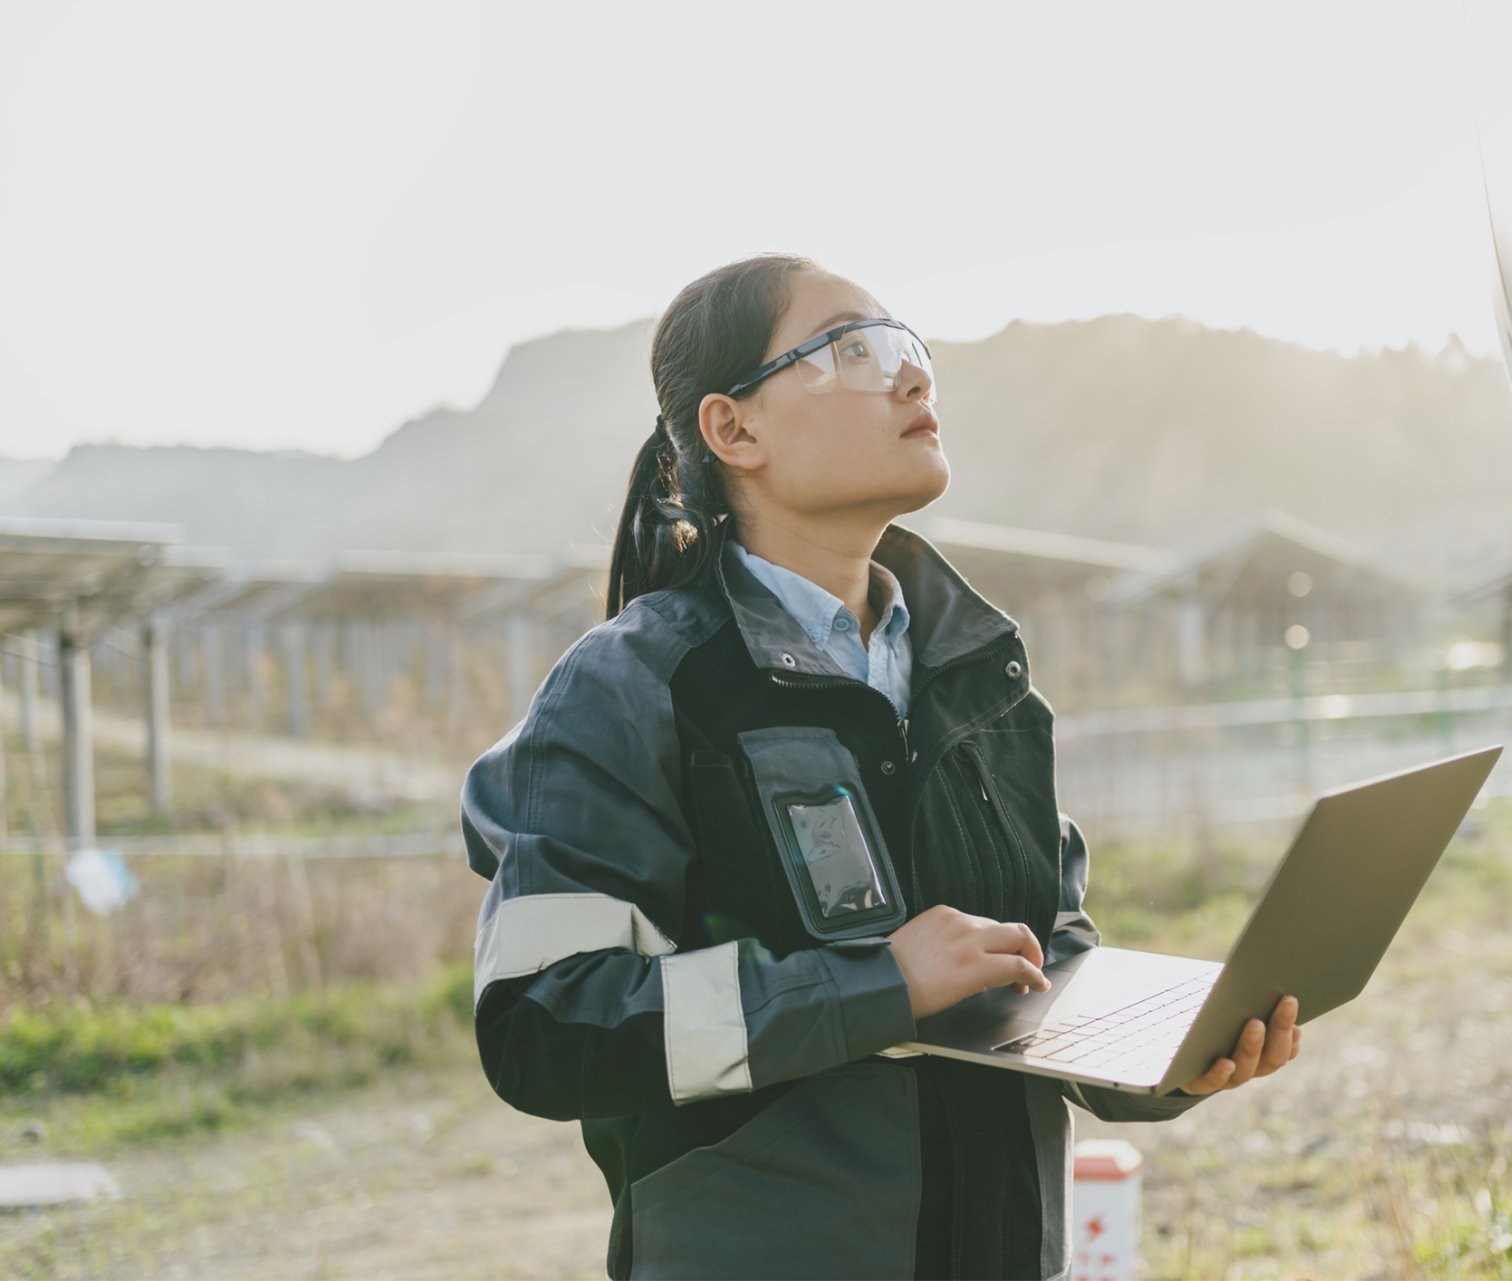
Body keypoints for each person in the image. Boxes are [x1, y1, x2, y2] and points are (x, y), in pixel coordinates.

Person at [460, 253, 1304, 1281]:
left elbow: (1045, 956)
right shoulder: (637, 689)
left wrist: (1170, 1059)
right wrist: (878, 985)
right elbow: (548, 1026)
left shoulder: (982, 675)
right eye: (851, 351)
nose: (913, 378)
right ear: (735, 430)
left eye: (908, 347)